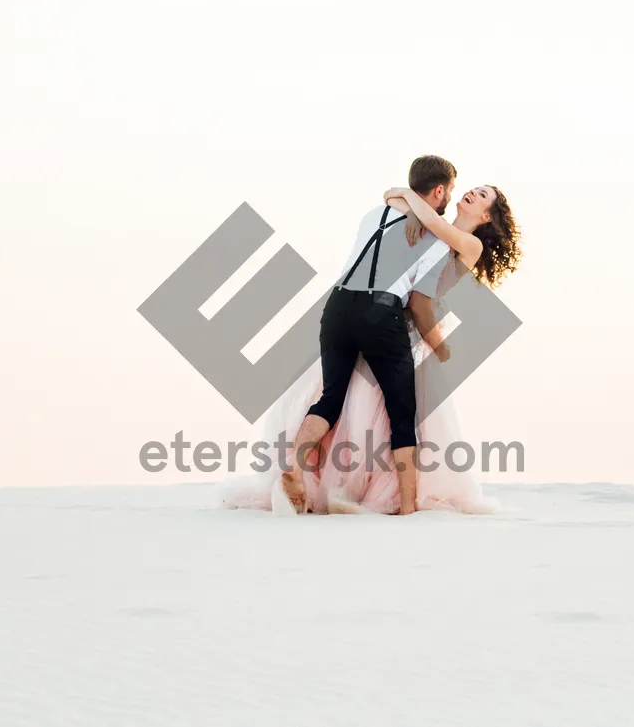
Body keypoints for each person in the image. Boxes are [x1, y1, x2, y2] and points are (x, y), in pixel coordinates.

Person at [219, 159, 521, 514]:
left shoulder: (463, 242)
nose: (468, 192)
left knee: (340, 401)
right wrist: (441, 347)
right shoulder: (428, 232)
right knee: (396, 416)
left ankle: (301, 469)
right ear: (439, 191)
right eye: (465, 188)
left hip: (350, 308)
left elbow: (431, 223)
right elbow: (421, 300)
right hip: (392, 319)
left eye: (480, 194)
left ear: (488, 217)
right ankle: (405, 506)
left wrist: (407, 201)